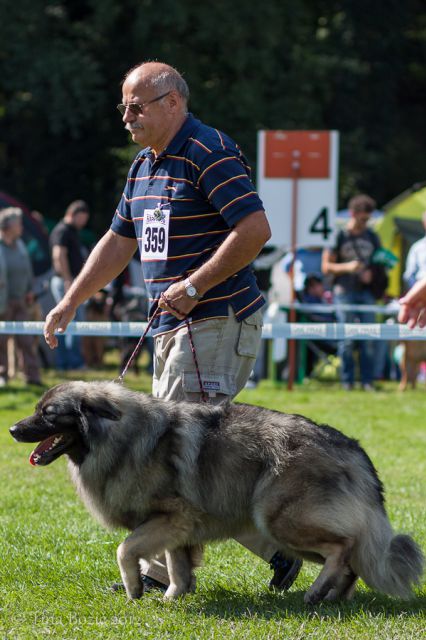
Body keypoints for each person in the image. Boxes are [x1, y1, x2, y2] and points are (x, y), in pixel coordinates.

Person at [44, 62, 302, 592]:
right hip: (173, 327)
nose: (127, 116)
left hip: (214, 319)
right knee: (187, 457)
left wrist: (195, 285)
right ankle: (277, 549)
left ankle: (161, 570)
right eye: (123, 106)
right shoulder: (144, 165)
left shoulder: (208, 150)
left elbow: (255, 229)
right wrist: (72, 299)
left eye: (137, 105)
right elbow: (119, 244)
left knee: (175, 453)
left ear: (173, 103)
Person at [322, 194, 381, 391]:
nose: (365, 223)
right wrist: (348, 267)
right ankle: (347, 382)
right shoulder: (338, 236)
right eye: (363, 218)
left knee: (369, 338)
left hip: (366, 293)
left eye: (368, 219)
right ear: (352, 214)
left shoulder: (372, 236)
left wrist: (372, 275)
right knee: (346, 339)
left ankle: (367, 382)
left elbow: (380, 263)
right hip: (344, 292)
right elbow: (326, 266)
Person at [0, 207, 42, 386]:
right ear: (7, 226)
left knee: (26, 340)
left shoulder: (21, 245)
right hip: (3, 302)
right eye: (18, 224)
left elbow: (27, 270)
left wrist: (30, 289)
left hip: (21, 301)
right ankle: (2, 376)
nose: (21, 227)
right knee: (1, 341)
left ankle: (32, 377)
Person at [49, 200, 90, 370]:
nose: (83, 223)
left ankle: (67, 363)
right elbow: (59, 255)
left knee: (69, 322)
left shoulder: (69, 231)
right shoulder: (63, 231)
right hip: (65, 282)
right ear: (73, 214)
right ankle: (71, 363)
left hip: (68, 281)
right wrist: (68, 280)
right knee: (69, 322)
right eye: (82, 218)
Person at [403, 210, 426, 289]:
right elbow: (409, 275)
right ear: (424, 223)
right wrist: (417, 290)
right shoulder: (417, 247)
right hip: (421, 291)